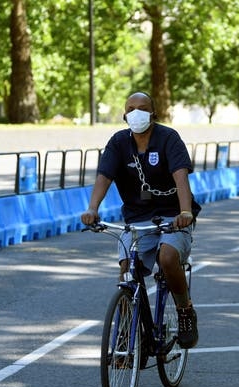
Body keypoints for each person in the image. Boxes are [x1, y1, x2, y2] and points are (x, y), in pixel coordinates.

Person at [80, 91, 201, 349]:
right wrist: (92, 208)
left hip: (173, 215)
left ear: (153, 113)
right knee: (127, 268)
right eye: (131, 108)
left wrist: (185, 212)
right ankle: (126, 332)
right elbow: (104, 176)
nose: (137, 112)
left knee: (167, 257)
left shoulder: (169, 138)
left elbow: (181, 177)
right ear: (124, 115)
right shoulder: (118, 143)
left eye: (143, 107)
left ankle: (185, 311)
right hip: (137, 218)